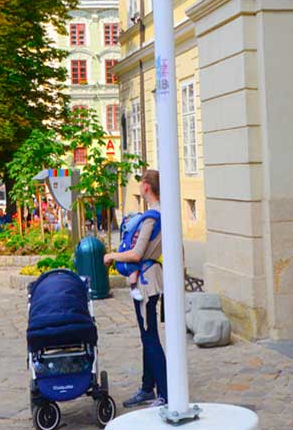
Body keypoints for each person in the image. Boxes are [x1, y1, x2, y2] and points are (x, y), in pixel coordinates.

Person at [104, 168, 166, 409]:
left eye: (141, 183)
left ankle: (165, 393)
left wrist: (111, 255)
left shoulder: (151, 217)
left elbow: (137, 253)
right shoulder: (165, 213)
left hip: (146, 282)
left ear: (147, 187)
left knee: (150, 338)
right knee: (147, 335)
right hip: (153, 279)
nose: (140, 186)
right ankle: (147, 387)